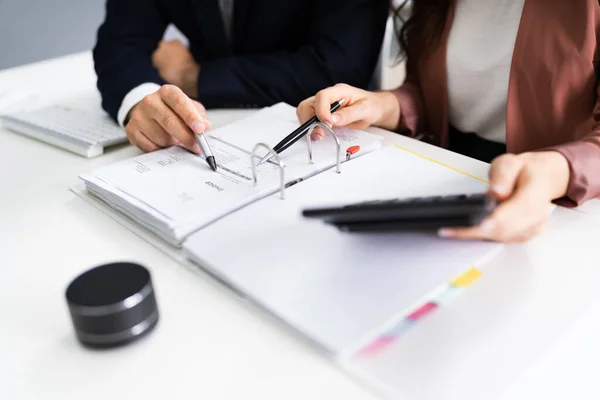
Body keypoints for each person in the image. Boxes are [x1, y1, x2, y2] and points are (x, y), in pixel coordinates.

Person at [297, 0, 600, 243]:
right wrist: (380, 105)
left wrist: (555, 171)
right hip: (449, 174)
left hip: (563, 204)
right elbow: (429, 94)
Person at [93, 0, 388, 154]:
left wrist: (192, 76)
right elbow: (119, 43)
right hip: (214, 125)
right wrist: (138, 100)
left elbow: (336, 68)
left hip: (326, 129)